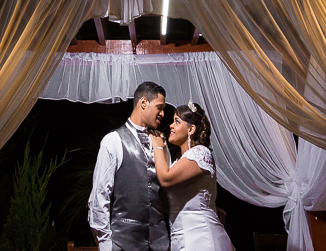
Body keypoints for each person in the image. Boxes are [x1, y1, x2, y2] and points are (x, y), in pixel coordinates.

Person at [88, 81, 170, 251]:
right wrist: (105, 243)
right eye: (159, 107)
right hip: (123, 244)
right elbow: (99, 196)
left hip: (160, 244)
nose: (163, 114)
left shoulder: (160, 143)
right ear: (143, 103)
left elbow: (169, 187)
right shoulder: (113, 141)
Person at [149, 102, 234, 251]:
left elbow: (166, 179)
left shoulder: (200, 153)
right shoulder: (179, 161)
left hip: (202, 240)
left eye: (177, 122)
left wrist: (157, 147)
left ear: (191, 129)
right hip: (183, 239)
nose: (171, 126)